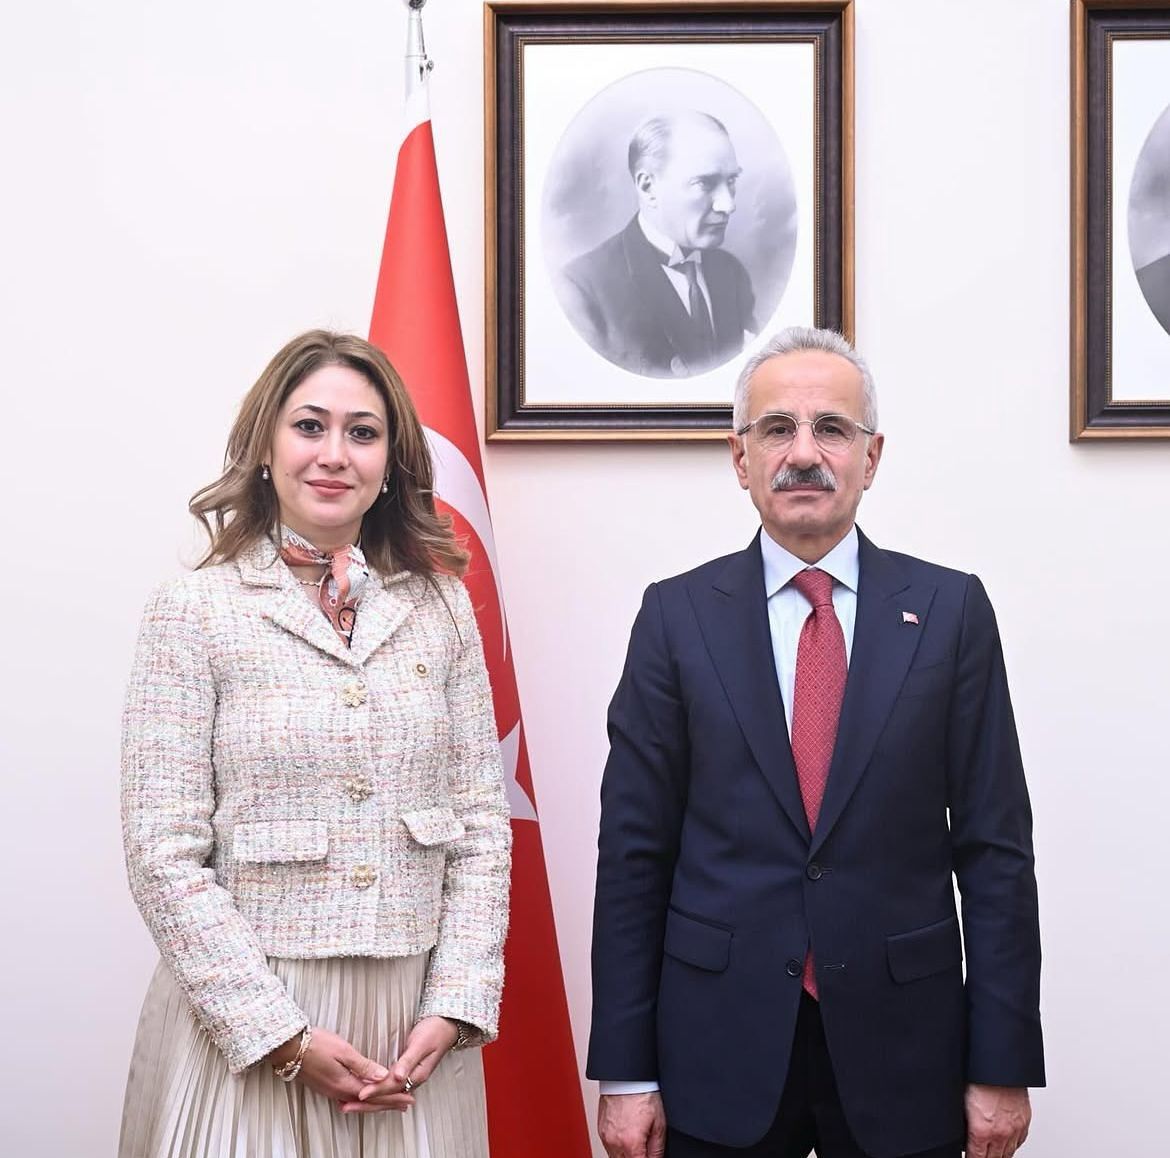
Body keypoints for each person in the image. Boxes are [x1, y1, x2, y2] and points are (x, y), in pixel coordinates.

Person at [588, 327, 1044, 1158]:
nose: (804, 453)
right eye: (777, 429)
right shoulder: (674, 618)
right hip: (715, 1049)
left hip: (905, 1049)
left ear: (872, 456)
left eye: (831, 428)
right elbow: (632, 857)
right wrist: (624, 1073)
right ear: (741, 458)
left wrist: (1002, 1063)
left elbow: (996, 852)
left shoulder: (952, 613)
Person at [118, 330, 511, 1158]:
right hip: (251, 1020)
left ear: (390, 462)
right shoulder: (194, 609)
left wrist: (457, 1002)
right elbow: (162, 852)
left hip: (413, 1028)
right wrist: (279, 1035)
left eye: (362, 432)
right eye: (309, 426)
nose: (335, 454)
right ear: (266, 446)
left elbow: (481, 824)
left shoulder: (441, 607)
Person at [557, 111, 756, 379]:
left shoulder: (731, 272)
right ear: (648, 187)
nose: (728, 205)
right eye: (704, 183)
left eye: (731, 181)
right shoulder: (582, 288)